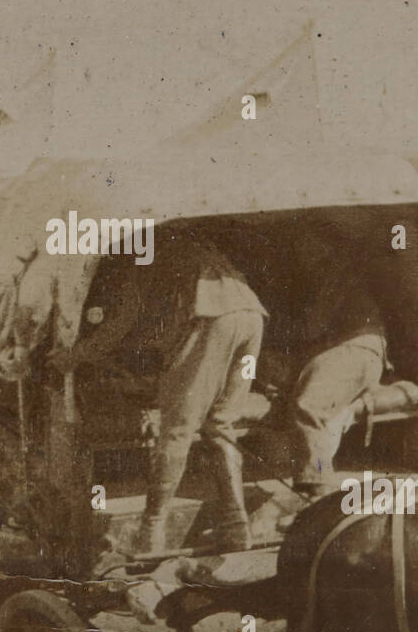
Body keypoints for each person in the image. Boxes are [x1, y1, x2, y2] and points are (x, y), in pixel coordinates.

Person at [49, 231, 266, 554]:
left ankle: (152, 530)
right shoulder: (184, 244)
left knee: (177, 429)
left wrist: (76, 356)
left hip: (212, 318)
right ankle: (237, 526)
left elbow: (122, 320)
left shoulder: (135, 252)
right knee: (220, 424)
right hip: (251, 319)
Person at [288, 253, 387, 494]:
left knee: (309, 404)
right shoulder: (342, 276)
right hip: (362, 353)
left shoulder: (336, 277)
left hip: (355, 350)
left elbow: (311, 329)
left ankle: (318, 482)